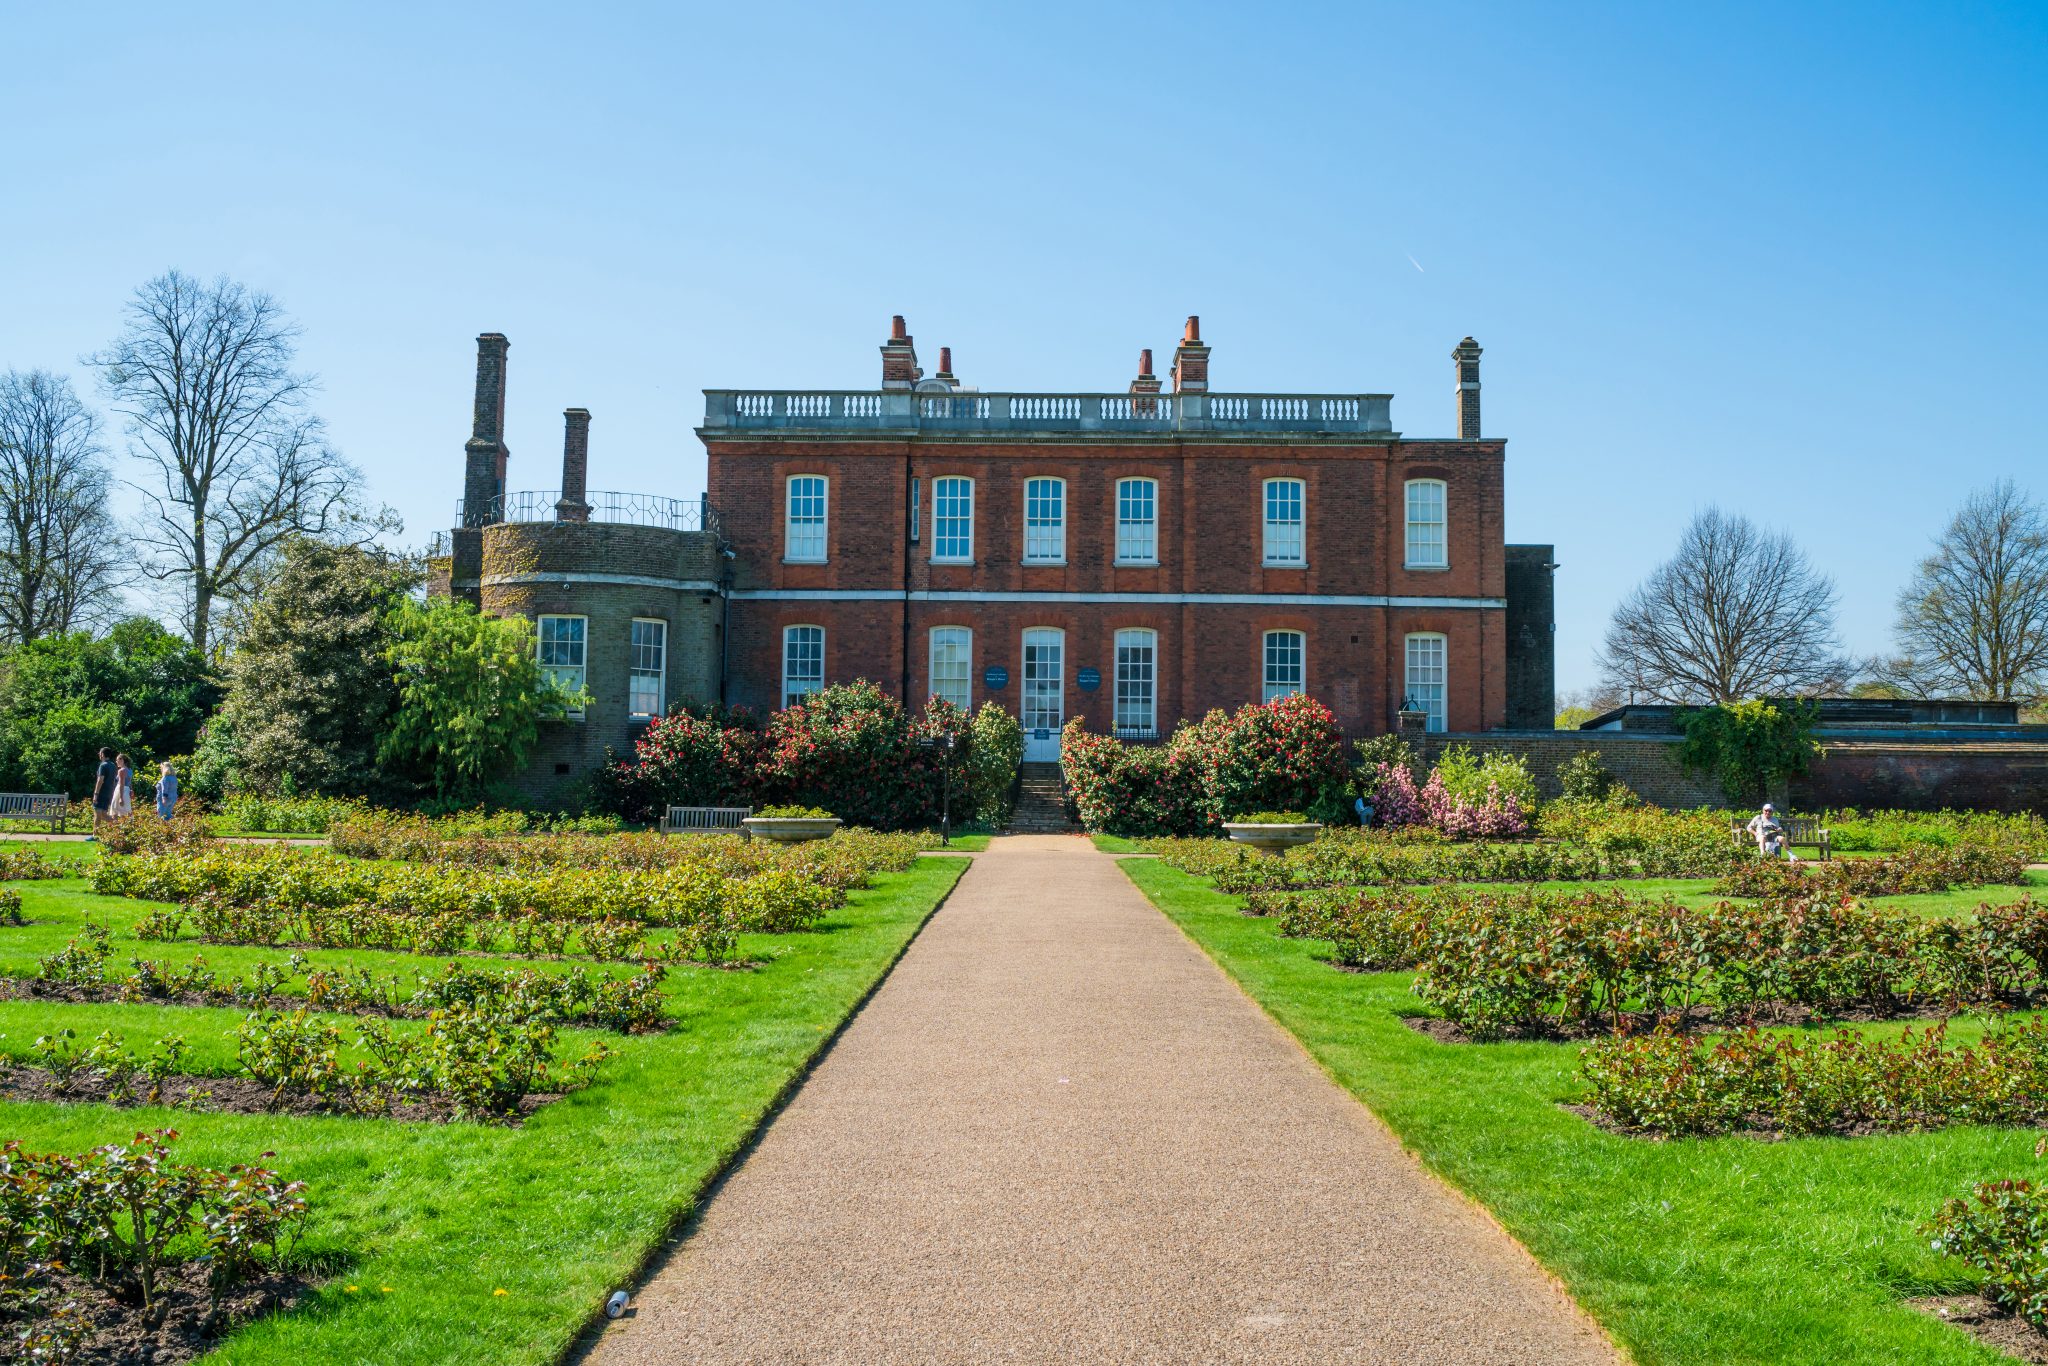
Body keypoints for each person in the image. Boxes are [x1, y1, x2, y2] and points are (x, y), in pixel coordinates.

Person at [89, 746, 116, 836]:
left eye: (100, 753)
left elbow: (100, 780)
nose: (99, 755)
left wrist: (96, 794)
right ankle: (119, 825)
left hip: (101, 792)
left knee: (97, 813)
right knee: (104, 814)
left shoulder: (103, 765)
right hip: (108, 793)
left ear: (103, 754)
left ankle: (95, 835)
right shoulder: (113, 766)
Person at [109, 754, 134, 819]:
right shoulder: (130, 770)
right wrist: (131, 790)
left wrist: (121, 797)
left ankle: (114, 826)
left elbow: (121, 784)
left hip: (121, 790)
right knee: (126, 809)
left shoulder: (121, 770)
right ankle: (128, 826)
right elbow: (130, 782)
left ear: (122, 760)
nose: (116, 762)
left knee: (115, 810)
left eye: (117, 760)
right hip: (127, 790)